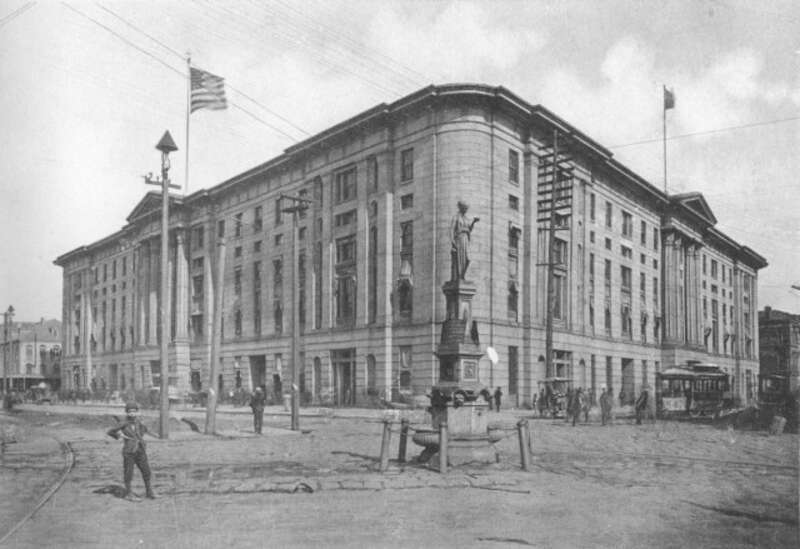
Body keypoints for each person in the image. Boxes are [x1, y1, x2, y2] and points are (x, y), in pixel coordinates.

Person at [106, 402, 155, 500]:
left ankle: (149, 492)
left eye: (134, 411)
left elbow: (144, 431)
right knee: (129, 473)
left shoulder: (138, 422)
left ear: (137, 412)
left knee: (147, 471)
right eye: (130, 412)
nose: (132, 413)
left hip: (140, 450)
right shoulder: (123, 423)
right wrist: (119, 435)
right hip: (129, 452)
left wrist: (145, 433)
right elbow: (110, 431)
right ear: (127, 413)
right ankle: (129, 494)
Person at [449, 201, 480, 281]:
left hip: (465, 240)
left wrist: (473, 222)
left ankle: (462, 275)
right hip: (459, 239)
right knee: (459, 259)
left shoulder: (466, 218)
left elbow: (469, 229)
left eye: (467, 208)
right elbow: (452, 229)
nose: (466, 210)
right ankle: (460, 277)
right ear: (461, 208)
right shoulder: (456, 217)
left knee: (467, 259)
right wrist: (452, 241)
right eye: (465, 208)